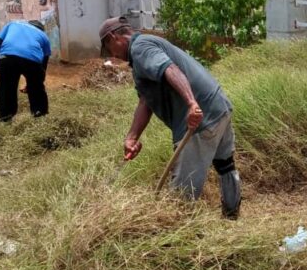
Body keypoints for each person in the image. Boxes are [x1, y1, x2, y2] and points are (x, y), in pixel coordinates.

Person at [98, 16, 241, 219]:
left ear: (114, 37)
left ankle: (177, 239)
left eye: (109, 49)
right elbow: (145, 101)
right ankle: (232, 219)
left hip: (201, 119)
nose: (113, 55)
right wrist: (132, 137)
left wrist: (192, 104)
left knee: (181, 195)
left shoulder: (140, 49)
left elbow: (170, 70)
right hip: (219, 107)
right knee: (225, 165)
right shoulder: (144, 47)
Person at [0, 20, 51, 121]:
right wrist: (36, 81)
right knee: (36, 88)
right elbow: (44, 64)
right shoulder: (43, 35)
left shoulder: (12, 24)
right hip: (32, 59)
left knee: (6, 88)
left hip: (7, 57)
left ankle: (5, 117)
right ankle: (39, 114)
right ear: (41, 29)